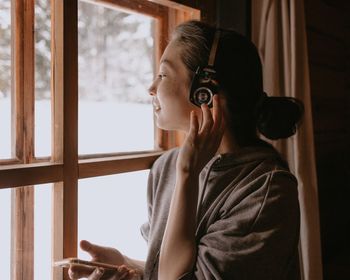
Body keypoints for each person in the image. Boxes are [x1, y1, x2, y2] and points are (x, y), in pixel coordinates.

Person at [69, 20, 303, 280]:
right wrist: (128, 266)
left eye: (163, 74)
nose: (151, 88)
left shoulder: (266, 190)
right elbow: (173, 268)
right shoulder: (166, 167)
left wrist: (188, 174)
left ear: (205, 92)